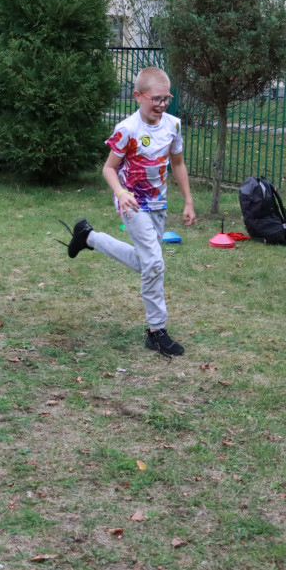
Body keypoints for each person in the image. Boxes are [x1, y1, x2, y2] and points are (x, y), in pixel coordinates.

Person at [61, 67, 197, 356]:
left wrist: (188, 201)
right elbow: (109, 168)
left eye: (166, 99)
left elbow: (178, 165)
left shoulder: (173, 125)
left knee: (147, 262)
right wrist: (121, 193)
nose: (161, 105)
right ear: (138, 96)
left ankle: (90, 238)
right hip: (132, 203)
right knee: (155, 264)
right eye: (156, 99)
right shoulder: (127, 129)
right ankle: (156, 331)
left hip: (159, 205)